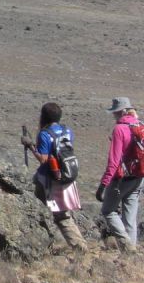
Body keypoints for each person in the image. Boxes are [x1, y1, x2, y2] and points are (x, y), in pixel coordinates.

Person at [20, 102, 85, 250]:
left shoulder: (45, 134)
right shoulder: (67, 130)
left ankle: (79, 246)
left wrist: (30, 145)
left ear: (43, 116)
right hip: (65, 174)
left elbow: (43, 159)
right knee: (53, 211)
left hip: (50, 179)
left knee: (56, 214)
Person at [98, 97, 142, 250]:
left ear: (123, 111)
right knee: (130, 217)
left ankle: (128, 247)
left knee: (108, 210)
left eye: (116, 112)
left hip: (122, 179)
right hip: (139, 177)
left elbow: (114, 161)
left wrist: (103, 184)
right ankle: (131, 254)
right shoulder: (140, 125)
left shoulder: (119, 129)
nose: (114, 115)